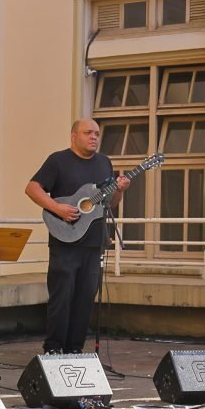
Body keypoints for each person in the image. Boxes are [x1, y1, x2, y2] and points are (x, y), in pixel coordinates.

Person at [25, 118, 129, 354]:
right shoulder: (58, 160)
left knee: (85, 299)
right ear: (74, 136)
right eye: (88, 133)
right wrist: (56, 207)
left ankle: (74, 350)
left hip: (94, 243)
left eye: (97, 134)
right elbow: (32, 188)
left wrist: (120, 191)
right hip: (65, 241)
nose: (94, 137)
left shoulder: (104, 163)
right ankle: (53, 348)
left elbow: (108, 204)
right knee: (61, 298)